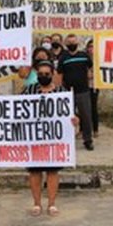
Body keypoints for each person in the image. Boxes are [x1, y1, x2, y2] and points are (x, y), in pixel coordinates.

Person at [22, 60, 75, 216]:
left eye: (46, 74)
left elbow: (70, 113)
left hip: (53, 138)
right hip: (34, 137)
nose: (43, 76)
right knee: (35, 171)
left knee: (52, 171)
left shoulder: (61, 92)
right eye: (40, 74)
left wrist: (74, 120)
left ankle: (51, 204)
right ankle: (37, 204)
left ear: (52, 75)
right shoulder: (29, 90)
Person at [57, 34, 94, 150]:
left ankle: (87, 140)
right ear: (66, 44)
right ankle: (67, 140)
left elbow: (91, 68)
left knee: (86, 116)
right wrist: (59, 90)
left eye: (74, 42)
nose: (72, 44)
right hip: (68, 92)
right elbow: (60, 74)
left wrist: (90, 76)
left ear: (77, 43)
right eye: (70, 43)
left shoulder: (84, 56)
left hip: (83, 91)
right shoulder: (63, 58)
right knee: (68, 116)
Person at [86, 39, 100, 137]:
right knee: (83, 109)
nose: (91, 48)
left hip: (94, 86)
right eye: (90, 46)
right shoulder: (85, 58)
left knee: (93, 107)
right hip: (84, 85)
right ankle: (83, 130)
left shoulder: (99, 59)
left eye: (93, 46)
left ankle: (95, 130)